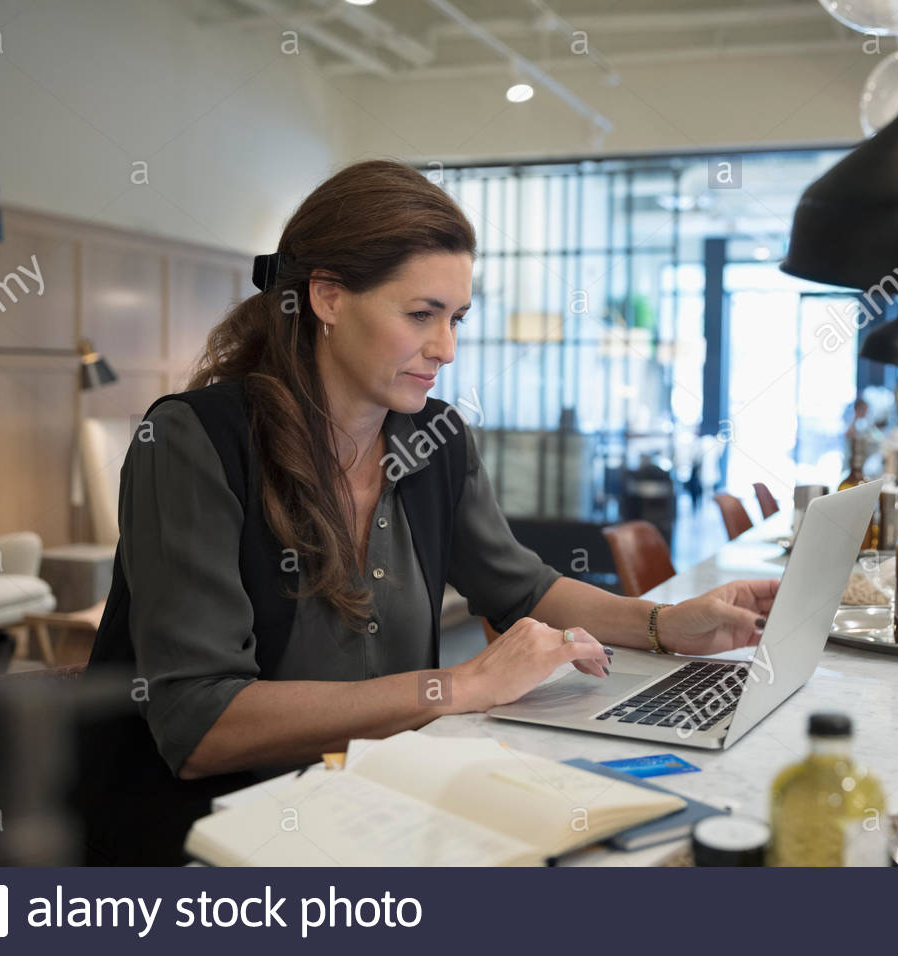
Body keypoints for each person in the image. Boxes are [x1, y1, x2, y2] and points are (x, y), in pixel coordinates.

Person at [82, 160, 777, 863]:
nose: (445, 348)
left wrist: (663, 624)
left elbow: (524, 588)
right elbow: (201, 723)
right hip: (220, 836)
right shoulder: (192, 441)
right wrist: (462, 685)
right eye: (421, 315)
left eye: (455, 318)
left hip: (379, 811)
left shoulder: (434, 439)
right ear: (326, 297)